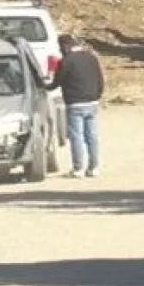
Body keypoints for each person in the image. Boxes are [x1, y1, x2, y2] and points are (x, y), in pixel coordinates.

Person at [46, 33, 105, 178]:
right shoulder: (91, 58)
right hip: (92, 101)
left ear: (65, 47)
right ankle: (94, 167)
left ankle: (78, 168)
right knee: (91, 135)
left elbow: (56, 84)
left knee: (76, 136)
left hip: (75, 103)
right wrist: (96, 96)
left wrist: (42, 85)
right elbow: (100, 80)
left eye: (60, 47)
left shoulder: (65, 62)